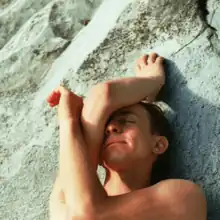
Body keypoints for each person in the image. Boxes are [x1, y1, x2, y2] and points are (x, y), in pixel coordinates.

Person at [47, 53, 207, 220]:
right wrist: (71, 121)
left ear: (158, 144)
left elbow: (103, 95)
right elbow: (101, 98)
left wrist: (70, 121)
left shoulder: (182, 198)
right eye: (104, 127)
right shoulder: (65, 198)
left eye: (126, 121)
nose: (111, 127)